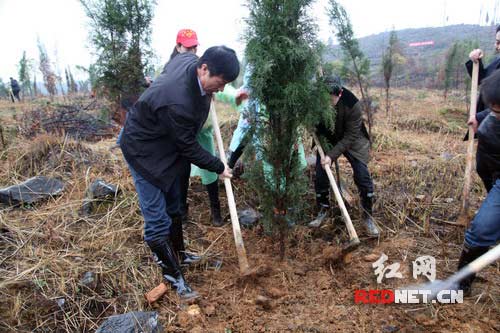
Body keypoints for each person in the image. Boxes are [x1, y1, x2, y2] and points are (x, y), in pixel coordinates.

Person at [120, 46, 239, 299]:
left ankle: (181, 257)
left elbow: (175, 62)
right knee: (157, 221)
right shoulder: (177, 101)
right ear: (204, 69)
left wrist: (211, 91)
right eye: (219, 83)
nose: (220, 90)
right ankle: (174, 278)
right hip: (143, 149)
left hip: (168, 143)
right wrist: (219, 167)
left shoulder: (189, 60)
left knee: (175, 206)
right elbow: (188, 146)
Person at [311, 75, 380, 237]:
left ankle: (368, 217)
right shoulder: (316, 100)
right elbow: (311, 120)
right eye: (324, 99)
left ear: (339, 94)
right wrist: (311, 124)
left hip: (353, 139)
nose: (327, 103)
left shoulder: (352, 104)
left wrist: (332, 155)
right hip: (328, 137)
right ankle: (323, 209)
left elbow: (350, 136)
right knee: (321, 173)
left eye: (331, 100)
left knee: (362, 175)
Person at [456, 69, 500, 296]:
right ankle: (460, 283)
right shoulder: (492, 123)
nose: (495, 116)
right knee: (481, 229)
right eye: (493, 110)